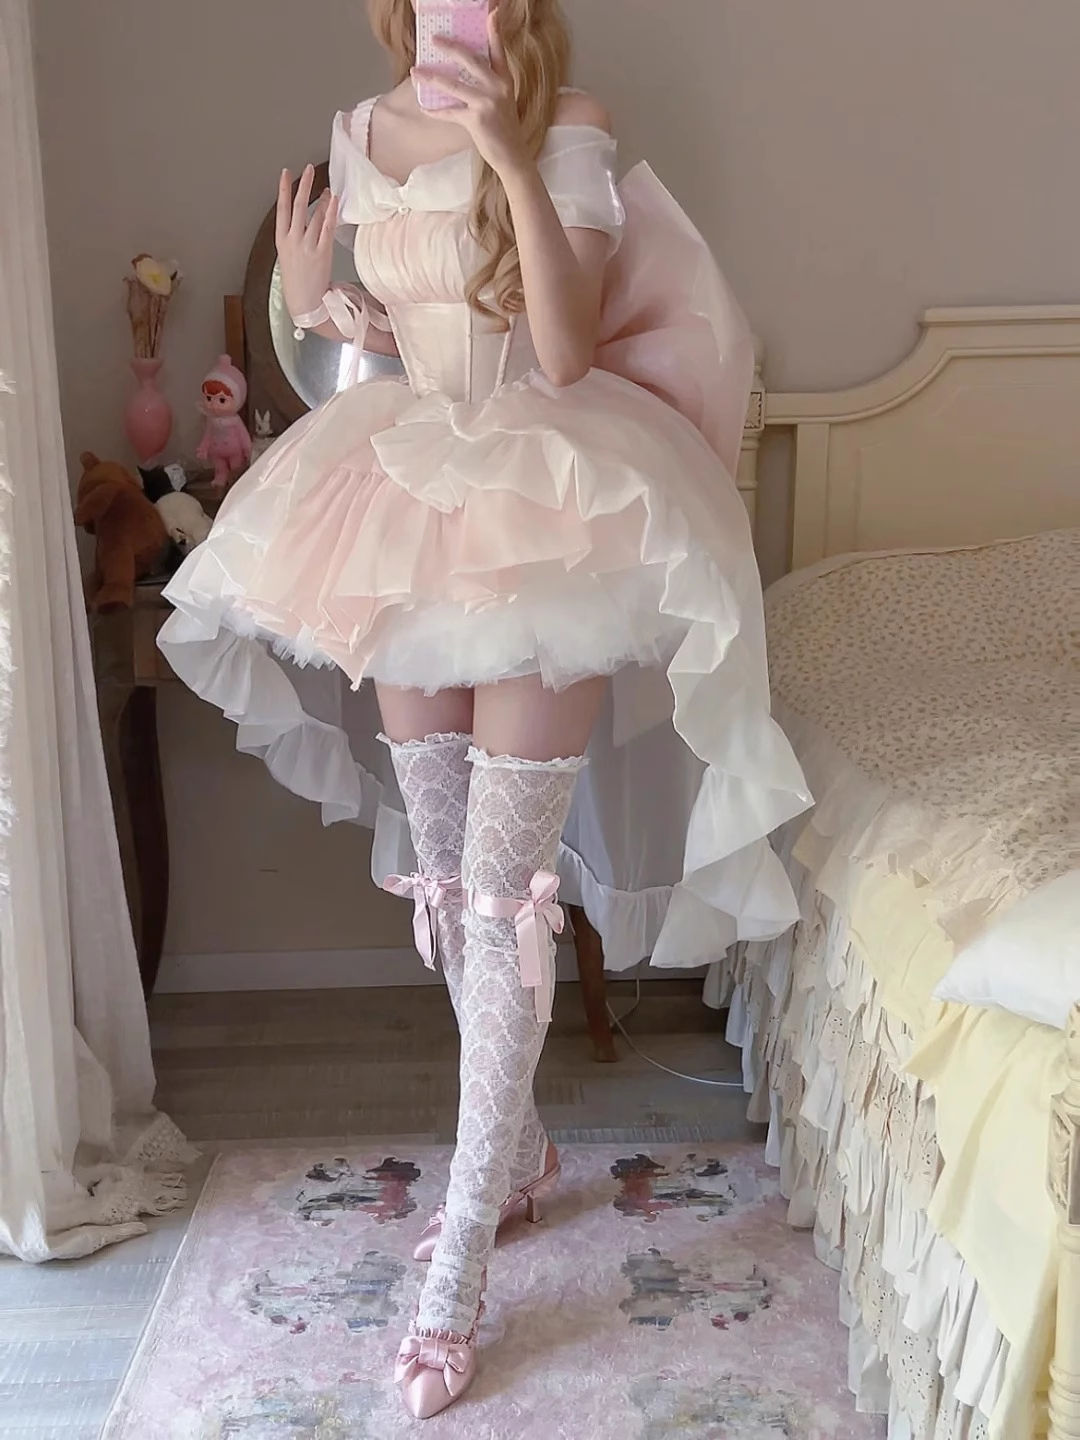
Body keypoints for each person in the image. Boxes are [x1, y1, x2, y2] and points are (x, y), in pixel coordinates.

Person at [158, 0, 810, 1418]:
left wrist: (511, 155)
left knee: (509, 893)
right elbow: (395, 341)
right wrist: (326, 306)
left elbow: (564, 354)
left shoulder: (567, 123)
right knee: (450, 881)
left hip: (545, 504)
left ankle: (458, 1255)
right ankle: (516, 1157)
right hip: (404, 495)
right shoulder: (359, 131)